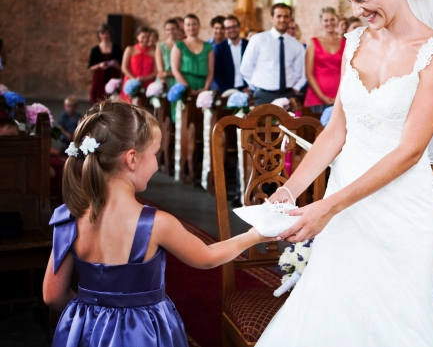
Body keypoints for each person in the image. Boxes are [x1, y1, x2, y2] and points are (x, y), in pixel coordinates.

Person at [255, 0, 433, 346]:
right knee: (332, 314)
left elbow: (410, 151)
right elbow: (337, 130)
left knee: (395, 323)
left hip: (401, 210)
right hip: (342, 201)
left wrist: (327, 207)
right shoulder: (354, 42)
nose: (355, 12)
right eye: (349, 2)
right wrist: (290, 189)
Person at [42, 100, 268, 347]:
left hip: (87, 332)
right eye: (155, 154)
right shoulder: (157, 224)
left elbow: (52, 295)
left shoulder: (70, 217)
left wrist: (94, 317)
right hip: (143, 334)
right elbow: (208, 257)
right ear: (132, 159)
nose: (157, 164)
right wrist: (254, 235)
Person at [240, 4, 306, 106]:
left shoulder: (296, 45)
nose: (282, 20)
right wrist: (257, 86)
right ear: (272, 18)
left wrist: (294, 88)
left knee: (290, 122)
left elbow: (299, 72)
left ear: (290, 19)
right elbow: (246, 68)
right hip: (263, 95)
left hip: (287, 94)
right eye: (279, 16)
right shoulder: (258, 39)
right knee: (262, 122)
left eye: (286, 16)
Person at [304, 8, 346, 112]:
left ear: (337, 20)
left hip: (340, 97)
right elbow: (309, 73)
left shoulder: (345, 42)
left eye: (332, 19)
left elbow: (348, 72)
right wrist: (322, 97)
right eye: (326, 20)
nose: (329, 23)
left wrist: (341, 95)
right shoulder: (313, 42)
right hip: (317, 98)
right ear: (321, 22)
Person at [171, 14, 214, 97]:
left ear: (199, 26)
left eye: (194, 24)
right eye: (188, 25)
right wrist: (187, 88)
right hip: (183, 86)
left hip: (203, 86)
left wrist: (205, 88)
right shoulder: (178, 46)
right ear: (184, 27)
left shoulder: (208, 47)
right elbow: (175, 70)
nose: (191, 27)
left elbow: (211, 71)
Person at [88, 24, 123, 105]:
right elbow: (90, 67)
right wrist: (99, 65)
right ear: (99, 35)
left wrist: (116, 66)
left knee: (114, 101)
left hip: (113, 78)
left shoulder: (117, 48)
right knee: (98, 101)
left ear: (110, 34)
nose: (105, 35)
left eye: (107, 33)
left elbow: (123, 66)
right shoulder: (95, 50)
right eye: (102, 33)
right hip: (99, 78)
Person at [213, 15, 250, 93]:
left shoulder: (248, 45)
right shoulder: (219, 48)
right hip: (228, 90)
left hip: (248, 89)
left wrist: (250, 87)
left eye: (234, 26)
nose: (231, 30)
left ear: (239, 27)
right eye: (228, 28)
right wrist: (227, 90)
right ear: (225, 30)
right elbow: (217, 72)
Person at [119, 27, 156, 103]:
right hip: (131, 81)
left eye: (147, 37)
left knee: (145, 107)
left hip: (147, 82)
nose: (145, 39)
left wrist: (145, 79)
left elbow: (156, 71)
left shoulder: (153, 52)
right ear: (137, 37)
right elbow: (124, 68)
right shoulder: (130, 49)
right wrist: (135, 80)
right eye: (143, 37)